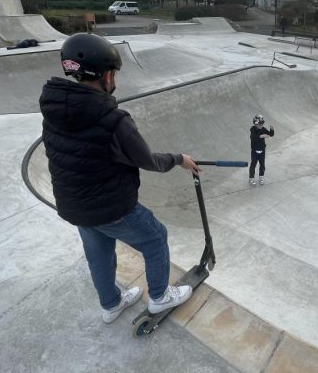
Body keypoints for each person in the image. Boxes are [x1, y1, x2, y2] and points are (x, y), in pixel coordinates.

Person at [39, 33, 200, 323]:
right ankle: (160, 297)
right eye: (114, 72)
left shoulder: (53, 111)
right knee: (156, 237)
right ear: (106, 75)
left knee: (99, 254)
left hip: (73, 204)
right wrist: (178, 159)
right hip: (110, 207)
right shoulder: (114, 120)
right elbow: (148, 160)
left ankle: (111, 304)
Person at [249, 115, 274, 187]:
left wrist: (271, 129)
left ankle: (261, 177)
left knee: (262, 165)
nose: (261, 125)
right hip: (255, 151)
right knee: (253, 165)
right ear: (255, 124)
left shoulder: (263, 129)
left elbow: (271, 134)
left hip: (262, 151)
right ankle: (251, 178)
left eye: (262, 123)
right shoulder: (253, 130)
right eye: (260, 124)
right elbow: (253, 137)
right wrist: (262, 136)